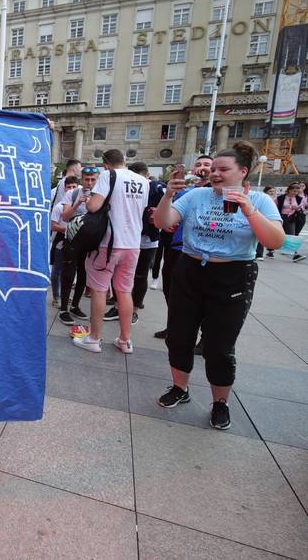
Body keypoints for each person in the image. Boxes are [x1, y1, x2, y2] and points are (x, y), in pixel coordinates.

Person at [153, 142, 284, 430]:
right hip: (190, 270)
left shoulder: (260, 200)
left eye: (223, 169)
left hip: (233, 275)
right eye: (214, 169)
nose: (215, 174)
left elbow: (275, 241)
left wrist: (248, 209)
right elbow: (163, 223)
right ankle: (180, 388)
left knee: (219, 346)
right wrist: (169, 195)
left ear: (242, 171)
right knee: (179, 336)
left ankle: (220, 402)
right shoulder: (196, 195)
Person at [72, 150, 148, 354]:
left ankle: (93, 339)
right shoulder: (142, 180)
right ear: (124, 161)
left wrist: (88, 201)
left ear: (105, 164)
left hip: (108, 243)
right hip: (132, 244)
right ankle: (125, 340)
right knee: (124, 291)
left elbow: (94, 207)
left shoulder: (108, 175)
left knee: (99, 290)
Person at [153, 155, 212, 339]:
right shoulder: (187, 192)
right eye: (198, 164)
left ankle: (204, 336)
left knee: (203, 297)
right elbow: (166, 217)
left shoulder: (221, 193)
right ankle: (175, 326)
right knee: (172, 289)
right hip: (178, 248)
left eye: (207, 165)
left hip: (205, 253)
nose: (202, 168)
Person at [106, 162, 163, 322]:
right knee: (118, 273)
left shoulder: (155, 187)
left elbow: (167, 205)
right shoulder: (122, 185)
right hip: (125, 237)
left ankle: (134, 309)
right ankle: (118, 305)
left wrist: (158, 212)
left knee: (139, 275)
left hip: (145, 239)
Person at [57, 166, 100, 324]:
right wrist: (77, 204)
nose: (89, 183)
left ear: (97, 179)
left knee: (84, 274)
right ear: (82, 179)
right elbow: (66, 216)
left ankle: (75, 306)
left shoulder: (102, 195)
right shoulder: (72, 193)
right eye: (86, 179)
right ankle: (63, 309)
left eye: (93, 179)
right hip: (72, 239)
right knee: (68, 273)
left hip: (90, 241)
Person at [50, 176, 79, 307]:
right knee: (57, 270)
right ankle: (57, 297)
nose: (71, 190)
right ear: (64, 188)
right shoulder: (58, 207)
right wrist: (68, 229)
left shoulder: (82, 205)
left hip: (76, 241)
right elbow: (53, 226)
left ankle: (66, 296)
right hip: (61, 240)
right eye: (69, 187)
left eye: (74, 187)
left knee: (71, 270)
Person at [277, 182, 307, 262]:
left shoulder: (299, 198)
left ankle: (295, 255)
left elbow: (301, 208)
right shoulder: (281, 197)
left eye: (297, 191)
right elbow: (277, 207)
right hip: (281, 217)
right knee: (277, 234)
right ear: (289, 190)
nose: (295, 193)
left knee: (292, 235)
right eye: (294, 191)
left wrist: (297, 208)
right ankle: (270, 250)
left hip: (291, 218)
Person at [256, 186, 277, 260]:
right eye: (270, 191)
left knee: (266, 236)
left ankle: (270, 251)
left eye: (273, 191)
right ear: (265, 192)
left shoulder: (275, 200)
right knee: (259, 236)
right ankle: (259, 254)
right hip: (260, 219)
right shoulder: (261, 199)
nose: (272, 193)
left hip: (269, 220)